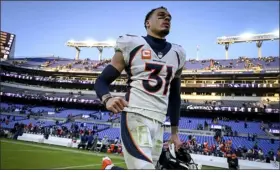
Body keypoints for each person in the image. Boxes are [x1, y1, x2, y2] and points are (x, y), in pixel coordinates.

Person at [95, 6, 186, 170]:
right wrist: (107, 98)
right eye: (161, 16)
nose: (167, 19)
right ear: (147, 23)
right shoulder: (132, 44)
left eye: (169, 18)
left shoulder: (178, 53)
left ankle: (109, 169)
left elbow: (174, 96)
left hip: (159, 121)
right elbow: (101, 80)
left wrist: (174, 133)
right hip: (136, 115)